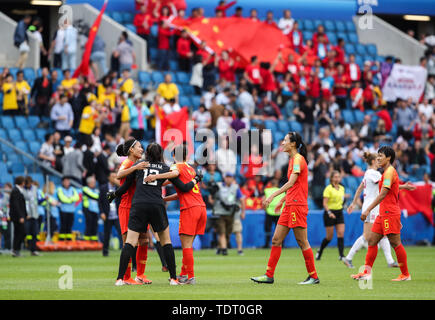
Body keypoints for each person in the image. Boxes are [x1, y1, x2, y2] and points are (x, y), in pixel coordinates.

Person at [113, 143, 196, 286]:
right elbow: (182, 186)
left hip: (138, 205)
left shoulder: (139, 165)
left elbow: (125, 185)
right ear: (161, 154)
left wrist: (114, 194)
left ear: (147, 153)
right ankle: (173, 278)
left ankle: (120, 279)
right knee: (166, 242)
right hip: (156, 205)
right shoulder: (165, 168)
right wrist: (195, 180)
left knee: (130, 242)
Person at [251, 132, 319, 285]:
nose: (282, 143)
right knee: (276, 240)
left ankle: (314, 276)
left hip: (297, 205)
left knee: (302, 241)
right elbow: (295, 186)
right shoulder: (292, 160)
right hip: (290, 204)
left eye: (285, 140)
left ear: (293, 144)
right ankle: (269, 275)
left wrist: (273, 195)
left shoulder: (298, 159)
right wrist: (283, 200)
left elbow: (291, 182)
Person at [352, 147, 412, 281]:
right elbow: (392, 187)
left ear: (389, 158)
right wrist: (404, 186)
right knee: (372, 241)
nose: (378, 158)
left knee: (395, 243)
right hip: (383, 213)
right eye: (377, 156)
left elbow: (383, 193)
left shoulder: (389, 172)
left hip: (389, 213)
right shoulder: (386, 172)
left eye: (381, 156)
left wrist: (367, 209)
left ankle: (405, 274)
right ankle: (366, 273)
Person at [112, 139, 151, 284]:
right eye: (139, 147)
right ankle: (126, 277)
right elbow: (119, 175)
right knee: (129, 243)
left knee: (144, 240)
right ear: (131, 150)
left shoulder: (139, 164)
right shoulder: (128, 163)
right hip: (127, 207)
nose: (142, 149)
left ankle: (140, 275)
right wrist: (135, 167)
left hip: (139, 207)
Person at [209, 172, 244, 255]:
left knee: (228, 233)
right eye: (227, 177)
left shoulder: (235, 187)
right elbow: (211, 195)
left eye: (230, 177)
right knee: (222, 232)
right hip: (220, 213)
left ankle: (220, 247)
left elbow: (242, 199)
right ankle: (224, 250)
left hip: (231, 213)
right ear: (224, 178)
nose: (228, 179)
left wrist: (243, 211)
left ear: (232, 179)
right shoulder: (219, 186)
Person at [316, 170, 348, 261]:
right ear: (331, 178)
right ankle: (320, 251)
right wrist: (329, 213)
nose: (337, 178)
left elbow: (341, 200)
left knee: (341, 233)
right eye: (335, 177)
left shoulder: (342, 188)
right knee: (329, 237)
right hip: (329, 213)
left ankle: (341, 255)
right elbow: (325, 203)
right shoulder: (328, 188)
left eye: (338, 176)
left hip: (339, 212)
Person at [100, 172, 122, 257]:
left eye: (115, 177)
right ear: (108, 177)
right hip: (107, 215)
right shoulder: (103, 188)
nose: (114, 178)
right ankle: (105, 252)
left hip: (117, 215)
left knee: (121, 233)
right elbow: (100, 202)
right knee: (107, 234)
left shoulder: (119, 187)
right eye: (112, 176)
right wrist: (101, 212)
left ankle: (124, 250)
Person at [56, 177, 80, 242]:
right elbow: (62, 198)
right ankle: (61, 240)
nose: (67, 183)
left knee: (69, 226)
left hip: (71, 210)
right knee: (63, 226)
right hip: (63, 210)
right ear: (62, 182)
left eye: (68, 181)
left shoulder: (73, 189)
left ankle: (69, 241)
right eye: (65, 181)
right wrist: (71, 199)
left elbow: (77, 197)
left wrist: (68, 199)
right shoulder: (60, 189)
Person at [262, 179, 284, 248]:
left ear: (270, 184)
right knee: (280, 230)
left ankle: (267, 244)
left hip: (269, 212)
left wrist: (265, 209)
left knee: (268, 229)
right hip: (279, 212)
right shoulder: (282, 191)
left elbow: (264, 201)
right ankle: (281, 244)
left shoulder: (267, 190)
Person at [9, 176, 27, 257]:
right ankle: (16, 249)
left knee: (18, 233)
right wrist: (21, 216)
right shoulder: (16, 191)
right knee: (21, 232)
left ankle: (16, 250)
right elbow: (16, 205)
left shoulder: (17, 190)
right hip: (17, 217)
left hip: (18, 216)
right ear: (22, 182)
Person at [23, 176, 40, 256]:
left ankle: (33, 249)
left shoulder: (35, 189)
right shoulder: (23, 190)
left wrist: (43, 199)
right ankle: (25, 247)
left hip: (34, 215)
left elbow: (37, 200)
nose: (28, 185)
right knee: (26, 232)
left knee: (35, 232)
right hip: (26, 215)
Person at [82, 176, 100, 243]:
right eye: (92, 182)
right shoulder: (85, 189)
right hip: (87, 209)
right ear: (88, 183)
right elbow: (92, 196)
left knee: (95, 225)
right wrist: (100, 197)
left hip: (95, 210)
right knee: (89, 224)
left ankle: (94, 240)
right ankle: (87, 241)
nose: (93, 184)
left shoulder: (96, 189)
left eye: (94, 182)